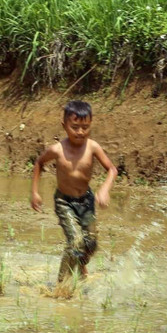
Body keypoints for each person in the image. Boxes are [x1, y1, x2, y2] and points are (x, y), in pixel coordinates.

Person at [31, 100, 118, 283]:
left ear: (91, 125)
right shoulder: (57, 150)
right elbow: (38, 163)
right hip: (64, 202)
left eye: (85, 127)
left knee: (91, 244)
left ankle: (80, 263)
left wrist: (104, 189)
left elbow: (112, 169)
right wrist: (35, 192)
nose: (80, 132)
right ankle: (61, 284)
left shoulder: (93, 147)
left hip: (86, 201)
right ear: (64, 126)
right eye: (75, 127)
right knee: (76, 241)